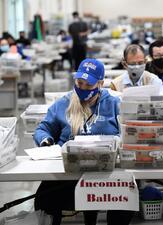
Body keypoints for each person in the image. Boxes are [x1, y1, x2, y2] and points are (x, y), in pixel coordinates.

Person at [33, 58, 135, 225]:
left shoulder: (114, 104)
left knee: (126, 200)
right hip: (69, 173)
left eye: (89, 85)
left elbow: (128, 132)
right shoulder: (63, 104)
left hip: (107, 174)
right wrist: (46, 141)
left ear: (100, 84)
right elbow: (42, 129)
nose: (83, 88)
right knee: (44, 199)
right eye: (80, 83)